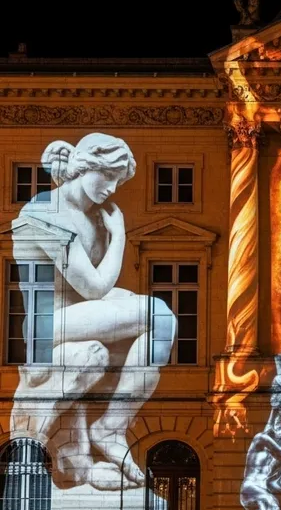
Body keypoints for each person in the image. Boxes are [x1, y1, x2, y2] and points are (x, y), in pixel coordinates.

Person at [12, 133, 176, 489]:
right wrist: (120, 237)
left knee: (157, 320)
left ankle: (107, 432)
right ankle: (111, 429)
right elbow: (94, 288)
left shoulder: (89, 216)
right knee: (159, 315)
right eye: (109, 177)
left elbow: (92, 292)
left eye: (118, 181)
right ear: (86, 167)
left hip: (77, 315)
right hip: (48, 325)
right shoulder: (45, 212)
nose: (113, 189)